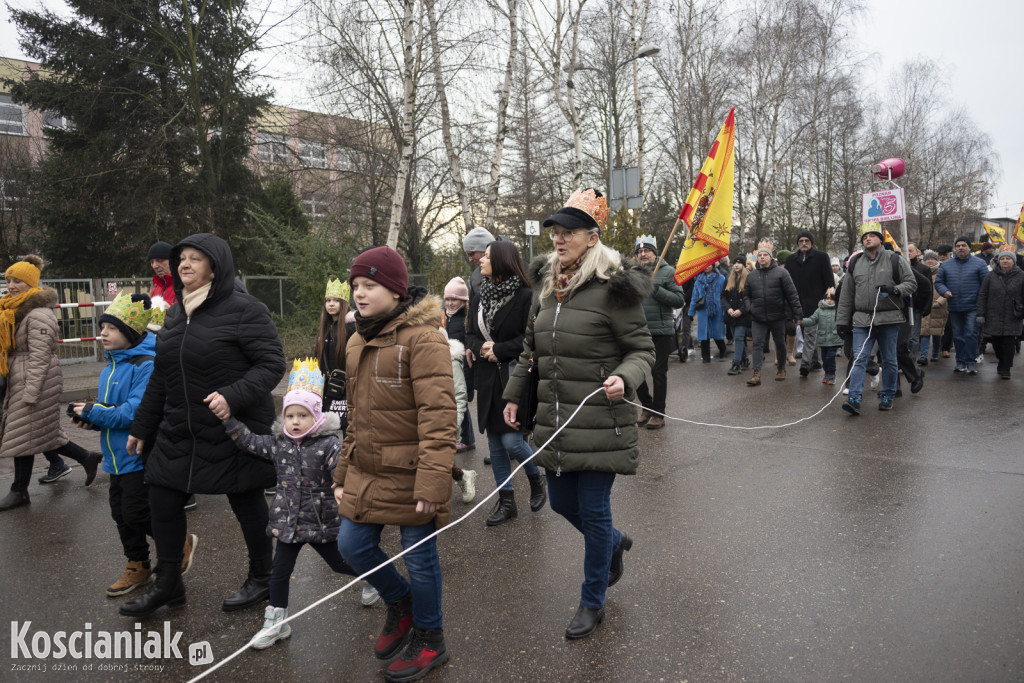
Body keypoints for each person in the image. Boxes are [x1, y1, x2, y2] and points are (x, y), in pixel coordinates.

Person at [502, 188, 655, 640]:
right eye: (555, 232)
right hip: (556, 420)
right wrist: (513, 394)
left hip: (602, 421)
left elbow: (642, 350)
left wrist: (625, 379)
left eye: (569, 232)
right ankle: (611, 540)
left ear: (592, 237)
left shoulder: (615, 288)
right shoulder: (548, 287)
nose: (559, 239)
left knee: (592, 508)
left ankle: (593, 601)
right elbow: (531, 348)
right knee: (564, 504)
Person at [121, 234, 285, 618]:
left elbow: (272, 363)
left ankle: (263, 576)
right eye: (182, 259)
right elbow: (162, 376)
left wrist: (232, 395)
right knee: (162, 494)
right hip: (181, 426)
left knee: (245, 500)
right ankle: (168, 584)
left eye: (196, 258)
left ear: (216, 265)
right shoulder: (177, 313)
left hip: (233, 425)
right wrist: (142, 426)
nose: (185, 265)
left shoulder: (245, 308)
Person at [334, 246, 456, 682]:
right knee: (351, 546)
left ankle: (430, 638)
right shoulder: (354, 340)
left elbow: (439, 419)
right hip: (366, 471)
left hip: (412, 471)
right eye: (356, 286)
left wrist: (432, 483)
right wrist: (342, 473)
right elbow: (355, 417)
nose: (360, 294)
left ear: (396, 290)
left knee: (420, 558)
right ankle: (401, 602)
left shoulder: (424, 338)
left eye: (370, 285)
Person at [208, 360, 357, 649]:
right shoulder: (279, 443)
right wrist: (229, 422)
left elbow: (341, 470)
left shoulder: (328, 444)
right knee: (279, 572)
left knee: (339, 564)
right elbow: (250, 442)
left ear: (316, 417)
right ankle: (277, 621)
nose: (296, 421)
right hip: (288, 524)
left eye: (303, 415)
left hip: (320, 522)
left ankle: (375, 577)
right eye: (290, 415)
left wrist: (342, 486)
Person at [72, 293, 190, 596]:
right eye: (102, 329)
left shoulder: (146, 365)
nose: (103, 334)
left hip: (138, 455)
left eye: (111, 328)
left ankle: (177, 544)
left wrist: (93, 411)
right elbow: (110, 410)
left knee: (137, 512)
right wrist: (91, 418)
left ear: (131, 331)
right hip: (114, 458)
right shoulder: (108, 368)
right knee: (120, 515)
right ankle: (137, 565)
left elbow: (134, 413)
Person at [0, 255, 101, 511]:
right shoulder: (13, 308)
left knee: (22, 434)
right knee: (41, 433)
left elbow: (41, 356)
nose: (11, 285)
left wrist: (31, 391)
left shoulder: (39, 314)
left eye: (17, 281)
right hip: (19, 377)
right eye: (8, 280)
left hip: (35, 380)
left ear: (31, 283)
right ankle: (86, 457)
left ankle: (19, 490)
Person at [466, 240, 545, 525]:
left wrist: (497, 349)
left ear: (501, 261)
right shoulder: (478, 296)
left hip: (514, 376)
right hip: (487, 379)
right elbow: (470, 335)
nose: (480, 261)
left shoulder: (526, 297)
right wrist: (480, 348)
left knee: (513, 440)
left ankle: (537, 478)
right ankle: (507, 500)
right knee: (496, 446)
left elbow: (531, 339)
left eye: (486, 257)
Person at [836, 223, 916, 414]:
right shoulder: (855, 263)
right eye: (864, 237)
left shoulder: (895, 260)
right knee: (859, 359)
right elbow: (847, 295)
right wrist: (841, 321)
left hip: (889, 318)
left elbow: (911, 283)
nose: (867, 239)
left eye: (872, 235)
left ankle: (888, 395)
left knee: (889, 360)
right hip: (862, 319)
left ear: (881, 239)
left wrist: (895, 289)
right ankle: (854, 399)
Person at [634, 235, 685, 429]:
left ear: (655, 253)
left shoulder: (668, 272)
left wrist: (656, 290)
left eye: (647, 251)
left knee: (658, 372)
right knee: (637, 373)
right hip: (637, 330)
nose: (643, 254)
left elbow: (679, 299)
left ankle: (658, 414)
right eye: (640, 251)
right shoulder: (633, 272)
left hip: (661, 331)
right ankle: (646, 407)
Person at [744, 242, 802, 386]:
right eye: (760, 255)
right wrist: (750, 308)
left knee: (780, 343)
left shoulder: (782, 273)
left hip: (777, 316)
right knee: (757, 344)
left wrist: (797, 314)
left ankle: (781, 368)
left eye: (765, 255)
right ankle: (756, 373)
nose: (762, 258)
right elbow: (746, 295)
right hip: (758, 317)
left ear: (771, 258)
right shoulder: (752, 276)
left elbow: (792, 295)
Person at [934, 236, 988, 374]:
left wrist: (983, 305)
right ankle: (960, 362)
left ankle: (971, 362)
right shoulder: (946, 265)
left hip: (973, 307)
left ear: (969, 248)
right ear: (955, 248)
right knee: (958, 336)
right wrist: (944, 291)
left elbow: (986, 285)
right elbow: (939, 282)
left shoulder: (980, 264)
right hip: (955, 306)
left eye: (964, 245)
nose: (961, 248)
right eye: (958, 246)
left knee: (970, 334)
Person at [785, 230, 834, 377]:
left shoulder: (821, 257)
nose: (804, 243)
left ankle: (805, 364)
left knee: (810, 333)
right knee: (804, 333)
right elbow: (786, 282)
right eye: (801, 241)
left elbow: (829, 281)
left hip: (815, 303)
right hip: (796, 302)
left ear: (811, 242)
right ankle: (814, 361)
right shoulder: (791, 260)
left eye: (807, 240)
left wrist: (828, 300)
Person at [976, 248, 1024, 379]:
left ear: (1013, 261)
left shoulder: (1021, 275)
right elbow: (983, 294)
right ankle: (1001, 361)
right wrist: (980, 313)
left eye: (1008, 259)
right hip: (993, 314)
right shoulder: (991, 275)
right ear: (998, 261)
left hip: (1013, 314)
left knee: (1009, 342)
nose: (1005, 261)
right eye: (1002, 258)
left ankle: (1006, 368)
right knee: (996, 342)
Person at [443, 277, 476, 454]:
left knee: (459, 402)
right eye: (447, 299)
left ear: (463, 300)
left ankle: (467, 439)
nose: (450, 303)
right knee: (451, 402)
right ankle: (463, 437)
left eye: (454, 299)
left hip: (462, 367)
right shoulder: (442, 317)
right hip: (445, 365)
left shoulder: (466, 319)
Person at [800, 291, 842, 385]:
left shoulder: (838, 310)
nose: (829, 301)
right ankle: (827, 373)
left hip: (834, 339)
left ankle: (832, 374)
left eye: (831, 299)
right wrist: (802, 321)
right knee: (824, 357)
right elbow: (812, 320)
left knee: (830, 357)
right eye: (827, 299)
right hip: (823, 340)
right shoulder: (819, 310)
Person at [689, 263, 727, 363]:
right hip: (703, 311)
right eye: (704, 265)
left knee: (717, 334)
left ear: (713, 265)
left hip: (717, 310)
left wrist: (726, 310)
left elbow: (725, 295)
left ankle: (722, 349)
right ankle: (705, 357)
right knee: (704, 334)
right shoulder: (698, 280)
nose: (706, 267)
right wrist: (691, 313)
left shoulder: (721, 278)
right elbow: (694, 297)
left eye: (709, 265)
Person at [722, 258, 751, 375]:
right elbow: (723, 296)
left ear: (743, 265)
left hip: (743, 315)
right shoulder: (728, 278)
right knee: (737, 338)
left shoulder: (749, 279)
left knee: (739, 338)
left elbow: (751, 298)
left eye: (739, 263)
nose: (736, 265)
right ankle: (745, 359)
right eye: (735, 263)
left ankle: (736, 363)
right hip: (731, 314)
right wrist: (728, 308)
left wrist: (741, 310)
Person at [918, 250, 947, 365]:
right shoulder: (920, 272)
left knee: (937, 332)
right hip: (925, 306)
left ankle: (935, 353)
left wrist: (939, 302)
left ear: (937, 260)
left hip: (938, 307)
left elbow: (947, 288)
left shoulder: (942, 273)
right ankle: (924, 356)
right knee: (924, 331)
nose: (930, 261)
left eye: (932, 259)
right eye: (927, 259)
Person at [147, 241, 177, 307]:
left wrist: (171, 311)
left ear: (172, 261)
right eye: (152, 262)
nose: (154, 266)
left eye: (159, 260)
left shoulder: (185, 284)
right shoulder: (157, 285)